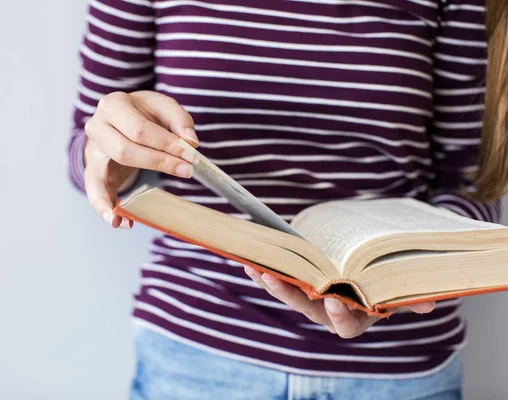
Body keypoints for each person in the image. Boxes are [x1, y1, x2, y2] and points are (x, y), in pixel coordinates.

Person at [67, 0, 508, 398]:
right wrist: (114, 154)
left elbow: (473, 184)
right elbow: (86, 145)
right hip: (198, 355)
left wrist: (408, 275)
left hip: (398, 369)